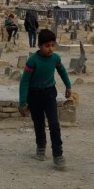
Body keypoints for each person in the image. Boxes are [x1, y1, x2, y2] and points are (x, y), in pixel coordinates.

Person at [18, 29, 72, 170]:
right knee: (39, 123)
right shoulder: (32, 61)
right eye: (47, 46)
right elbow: (24, 82)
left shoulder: (55, 58)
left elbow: (62, 71)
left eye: (53, 45)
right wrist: (22, 102)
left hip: (49, 94)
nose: (50, 49)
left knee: (54, 124)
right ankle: (41, 146)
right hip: (34, 95)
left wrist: (68, 85)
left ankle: (58, 155)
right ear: (39, 46)